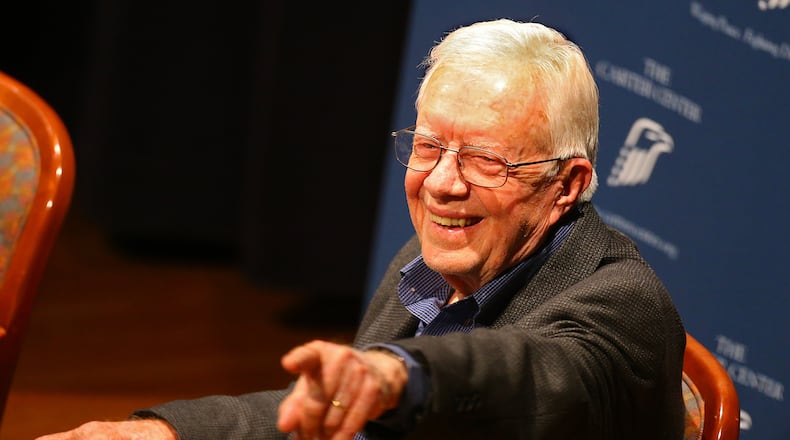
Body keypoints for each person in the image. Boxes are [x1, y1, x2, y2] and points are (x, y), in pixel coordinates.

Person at [38, 18, 686, 440]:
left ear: (566, 185)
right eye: (429, 147)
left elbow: (519, 373)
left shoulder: (620, 307)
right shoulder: (434, 259)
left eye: (486, 160)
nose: (441, 183)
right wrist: (165, 433)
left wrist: (395, 375)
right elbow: (330, 421)